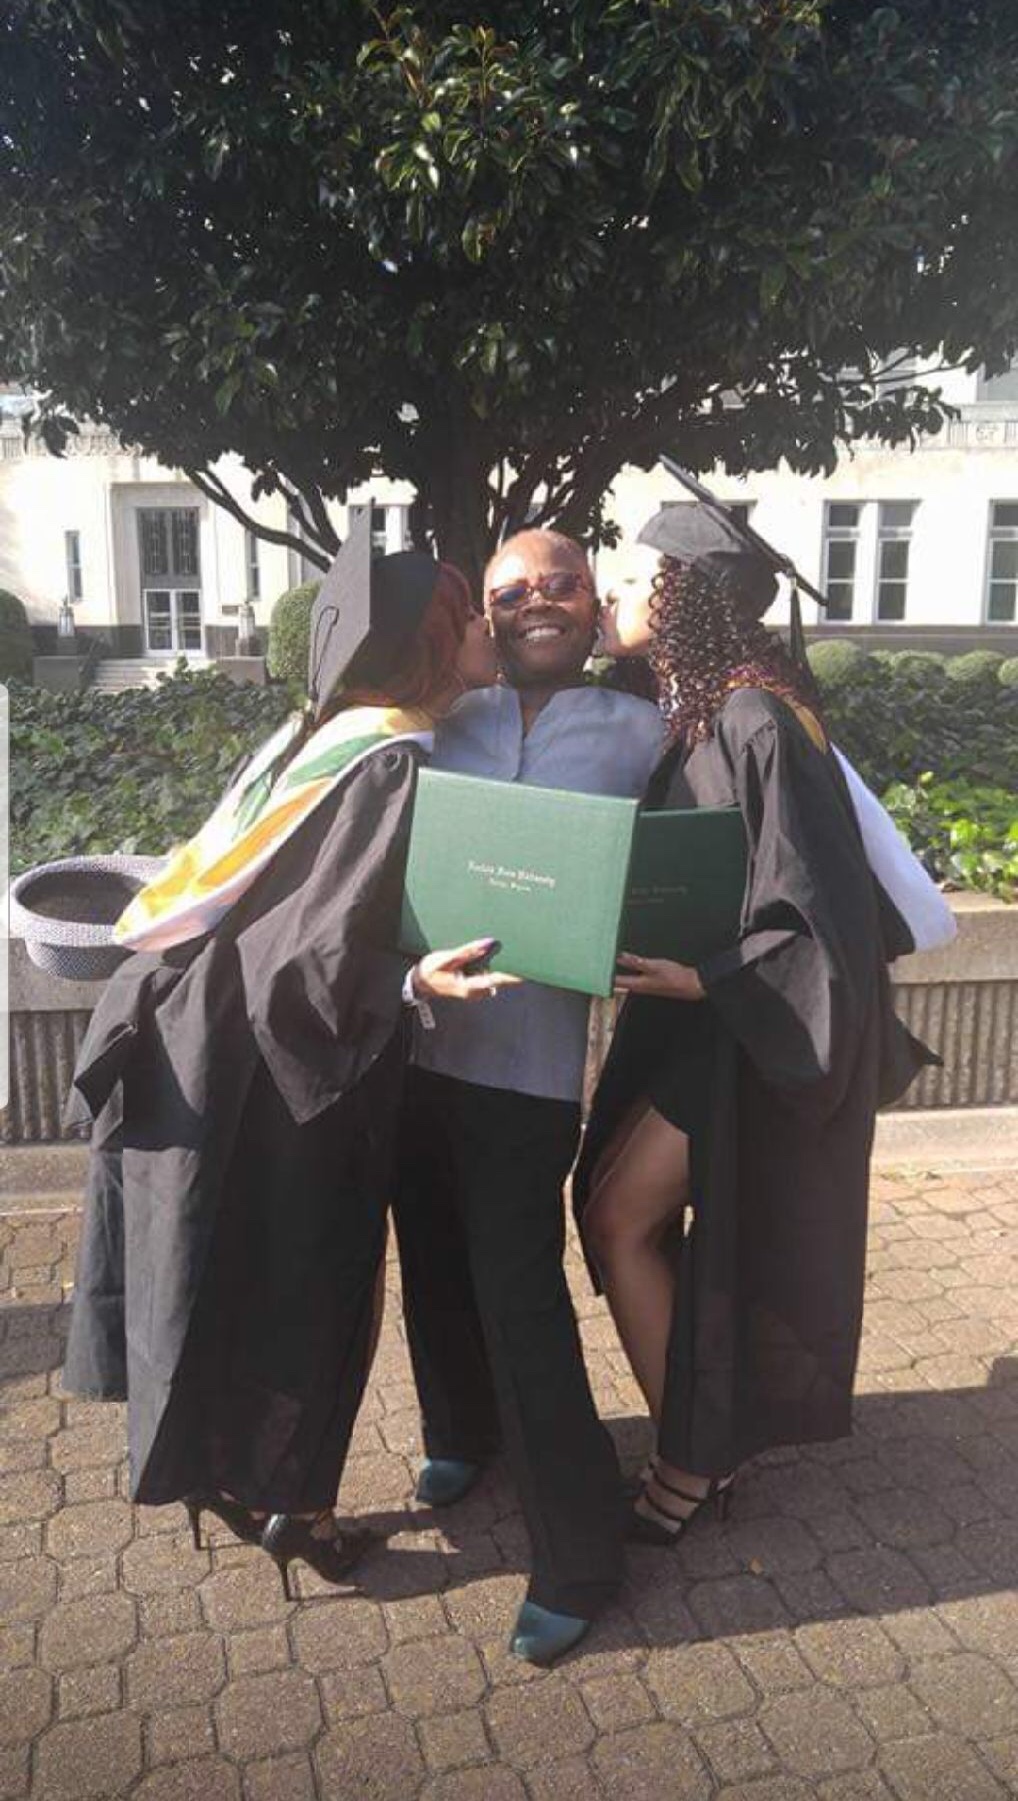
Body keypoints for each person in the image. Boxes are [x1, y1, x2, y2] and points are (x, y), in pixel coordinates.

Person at [62, 514, 509, 1597]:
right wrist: (408, 981)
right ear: (431, 642)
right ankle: (295, 1508)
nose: (489, 633)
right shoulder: (390, 762)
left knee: (226, 1267)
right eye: (470, 618)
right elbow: (315, 948)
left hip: (203, 1035)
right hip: (281, 1066)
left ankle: (229, 1476)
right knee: (306, 1280)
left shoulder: (316, 734)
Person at [575, 501, 931, 1545]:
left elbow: (824, 921)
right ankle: (699, 1437)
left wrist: (711, 976)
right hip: (708, 1023)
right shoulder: (711, 704)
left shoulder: (755, 719)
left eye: (635, 575)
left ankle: (692, 1460)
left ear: (684, 593)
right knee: (611, 1209)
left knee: (619, 1217)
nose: (614, 590)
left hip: (744, 1031)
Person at [392, 528, 665, 1665]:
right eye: (510, 592)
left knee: (521, 1295)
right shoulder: (438, 722)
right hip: (411, 1047)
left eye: (560, 584)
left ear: (594, 605)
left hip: (529, 1073)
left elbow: (684, 874)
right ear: (486, 618)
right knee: (429, 1263)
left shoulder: (648, 734)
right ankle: (462, 1429)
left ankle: (578, 1554)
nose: (536, 603)